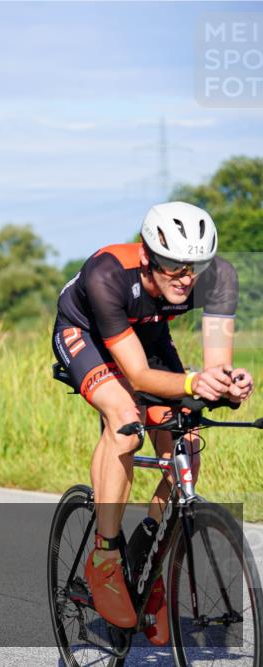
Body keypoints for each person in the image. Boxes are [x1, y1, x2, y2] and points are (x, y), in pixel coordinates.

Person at [52, 201, 254, 644]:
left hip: (148, 335)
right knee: (125, 421)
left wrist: (228, 384)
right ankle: (104, 557)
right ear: (148, 257)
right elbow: (139, 376)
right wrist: (193, 381)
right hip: (86, 334)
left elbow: (214, 368)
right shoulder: (107, 274)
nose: (187, 278)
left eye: (195, 267)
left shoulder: (218, 277)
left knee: (188, 440)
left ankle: (148, 552)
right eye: (175, 268)